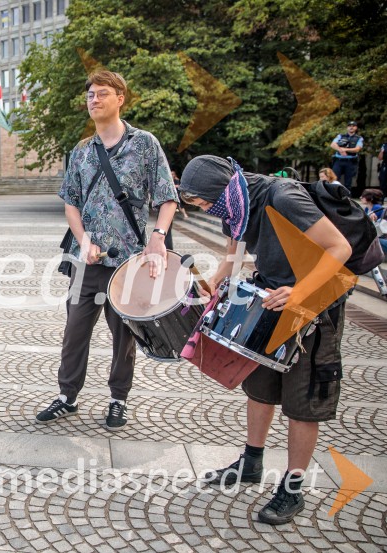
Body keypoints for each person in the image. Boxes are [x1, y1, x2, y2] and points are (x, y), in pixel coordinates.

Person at [178, 154, 351, 525]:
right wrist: (215, 281)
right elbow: (233, 253)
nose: (207, 210)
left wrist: (299, 291)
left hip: (315, 303)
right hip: (271, 298)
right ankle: (251, 462)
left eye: (205, 202)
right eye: (198, 206)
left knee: (301, 402)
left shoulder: (282, 196)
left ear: (220, 190)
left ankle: (292, 488)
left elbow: (340, 249)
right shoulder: (236, 205)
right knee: (259, 387)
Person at [36, 70, 178, 430]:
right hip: (88, 261)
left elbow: (166, 198)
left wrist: (158, 237)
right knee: (75, 331)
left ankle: (118, 399)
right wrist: (83, 241)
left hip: (128, 261)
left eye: (101, 93)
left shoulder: (145, 144)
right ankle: (67, 397)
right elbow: (70, 203)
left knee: (123, 335)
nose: (94, 100)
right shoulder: (82, 152)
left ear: (120, 98)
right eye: (90, 95)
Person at [330, 121, 363, 191]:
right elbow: (333, 145)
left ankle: (347, 197)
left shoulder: (359, 138)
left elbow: (357, 149)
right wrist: (340, 150)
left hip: (350, 162)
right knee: (334, 179)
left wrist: (345, 149)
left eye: (353, 126)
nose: (351, 127)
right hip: (338, 161)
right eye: (349, 126)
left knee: (348, 182)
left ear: (356, 128)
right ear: (347, 127)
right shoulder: (340, 136)